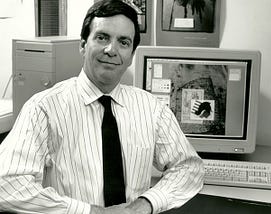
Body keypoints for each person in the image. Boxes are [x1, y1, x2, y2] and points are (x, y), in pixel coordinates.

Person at [0, 0, 204, 213]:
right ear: (82, 45)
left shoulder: (151, 109)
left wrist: (144, 205)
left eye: (123, 42)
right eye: (102, 37)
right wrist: (90, 211)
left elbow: (189, 168)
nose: (111, 50)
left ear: (131, 56)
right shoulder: (43, 108)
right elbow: (5, 185)